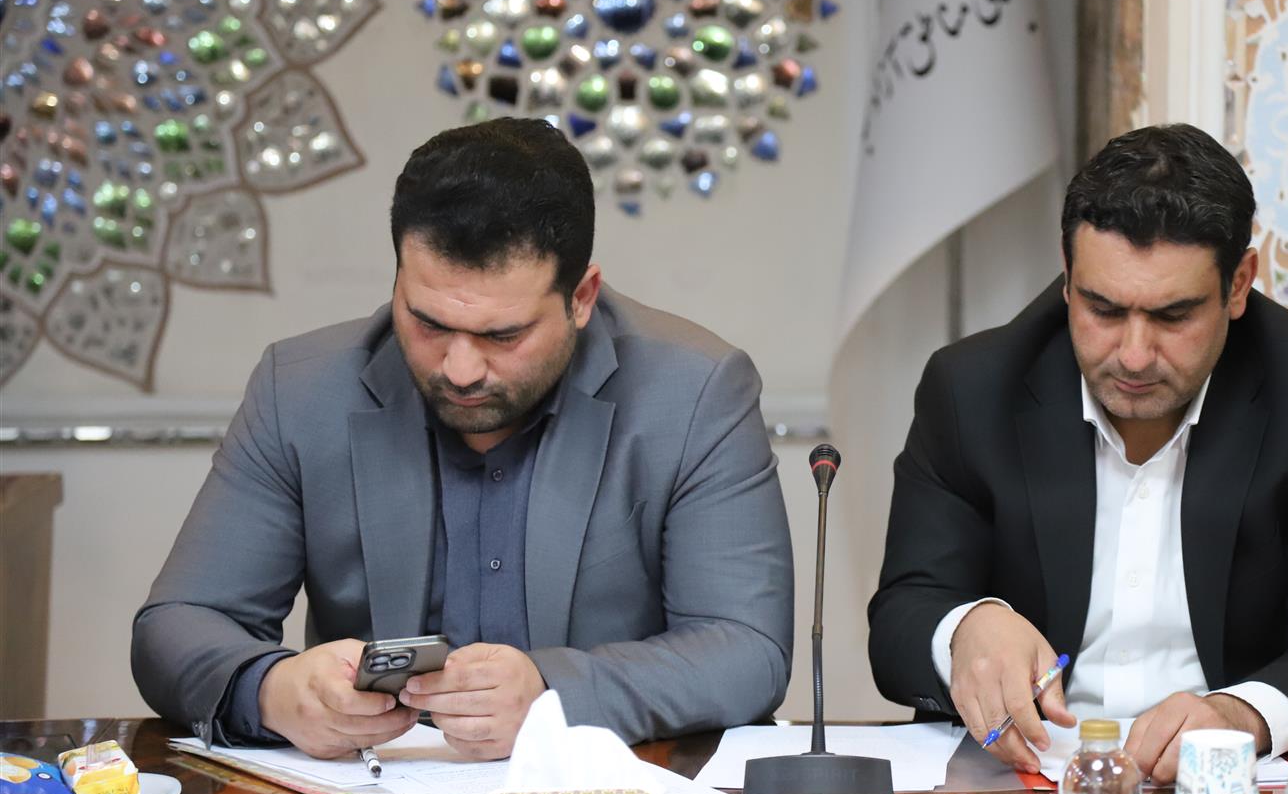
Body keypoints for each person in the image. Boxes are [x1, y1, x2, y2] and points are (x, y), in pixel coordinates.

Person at [133, 117, 793, 760]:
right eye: (428, 323)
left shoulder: (694, 392)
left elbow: (746, 649)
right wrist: (271, 690)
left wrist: (555, 695)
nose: (460, 369)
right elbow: (175, 626)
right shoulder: (302, 390)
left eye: (503, 335)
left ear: (582, 297)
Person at [867, 123, 1288, 782]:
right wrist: (964, 628)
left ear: (1238, 285)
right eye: (1102, 309)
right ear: (1068, 276)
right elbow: (901, 620)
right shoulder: (973, 390)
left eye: (1172, 316)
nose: (1132, 355)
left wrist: (1240, 714)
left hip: (1235, 793)